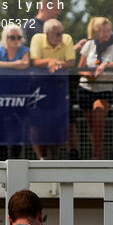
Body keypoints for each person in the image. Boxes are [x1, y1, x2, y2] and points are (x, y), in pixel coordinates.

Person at [28, 19, 75, 160]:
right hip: (39, 87)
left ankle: (55, 157)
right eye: (57, 34)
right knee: (38, 123)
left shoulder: (67, 39)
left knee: (59, 121)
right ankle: (41, 157)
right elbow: (34, 61)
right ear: (47, 34)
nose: (61, 36)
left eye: (61, 33)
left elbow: (71, 62)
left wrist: (57, 64)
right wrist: (50, 62)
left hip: (60, 87)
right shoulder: (37, 38)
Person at [77, 17, 113, 159]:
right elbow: (80, 68)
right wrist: (88, 74)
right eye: (103, 31)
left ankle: (98, 154)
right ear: (95, 32)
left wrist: (106, 65)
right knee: (92, 126)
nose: (108, 33)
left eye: (109, 30)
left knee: (99, 113)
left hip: (105, 89)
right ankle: (96, 154)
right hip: (86, 88)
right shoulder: (89, 45)